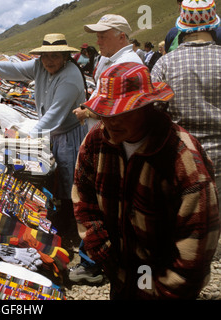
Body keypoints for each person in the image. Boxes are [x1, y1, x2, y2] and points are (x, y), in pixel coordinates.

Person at [72, 62, 220, 299]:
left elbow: (197, 241)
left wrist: (165, 290)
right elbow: (84, 199)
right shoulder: (96, 140)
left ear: (147, 107)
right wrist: (105, 254)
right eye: (106, 112)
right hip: (120, 269)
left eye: (122, 112)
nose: (111, 121)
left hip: (164, 279)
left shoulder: (182, 157)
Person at [0, 33, 88, 236]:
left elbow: (55, 114)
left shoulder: (70, 78)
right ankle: (59, 214)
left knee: (69, 176)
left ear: (65, 56)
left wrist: (26, 139)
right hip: (52, 130)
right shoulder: (40, 65)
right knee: (56, 172)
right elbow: (16, 69)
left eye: (55, 56)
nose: (49, 61)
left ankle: (70, 223)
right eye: (46, 56)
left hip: (69, 132)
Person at [69, 14, 143, 285]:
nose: (97, 39)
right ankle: (99, 260)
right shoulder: (107, 60)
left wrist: (88, 110)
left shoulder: (129, 64)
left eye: (104, 34)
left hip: (117, 144)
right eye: (97, 34)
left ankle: (98, 263)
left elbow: (126, 109)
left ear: (122, 36)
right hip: (105, 139)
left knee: (105, 201)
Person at [151, 0, 221, 214]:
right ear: (213, 25)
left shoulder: (165, 64)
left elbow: (152, 112)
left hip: (182, 158)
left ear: (181, 26)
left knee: (185, 224)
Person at [73, 14, 143, 132]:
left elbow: (118, 109)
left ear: (121, 38)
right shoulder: (109, 58)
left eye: (103, 37)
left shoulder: (128, 64)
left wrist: (86, 113)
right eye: (98, 37)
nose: (98, 42)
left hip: (116, 137)